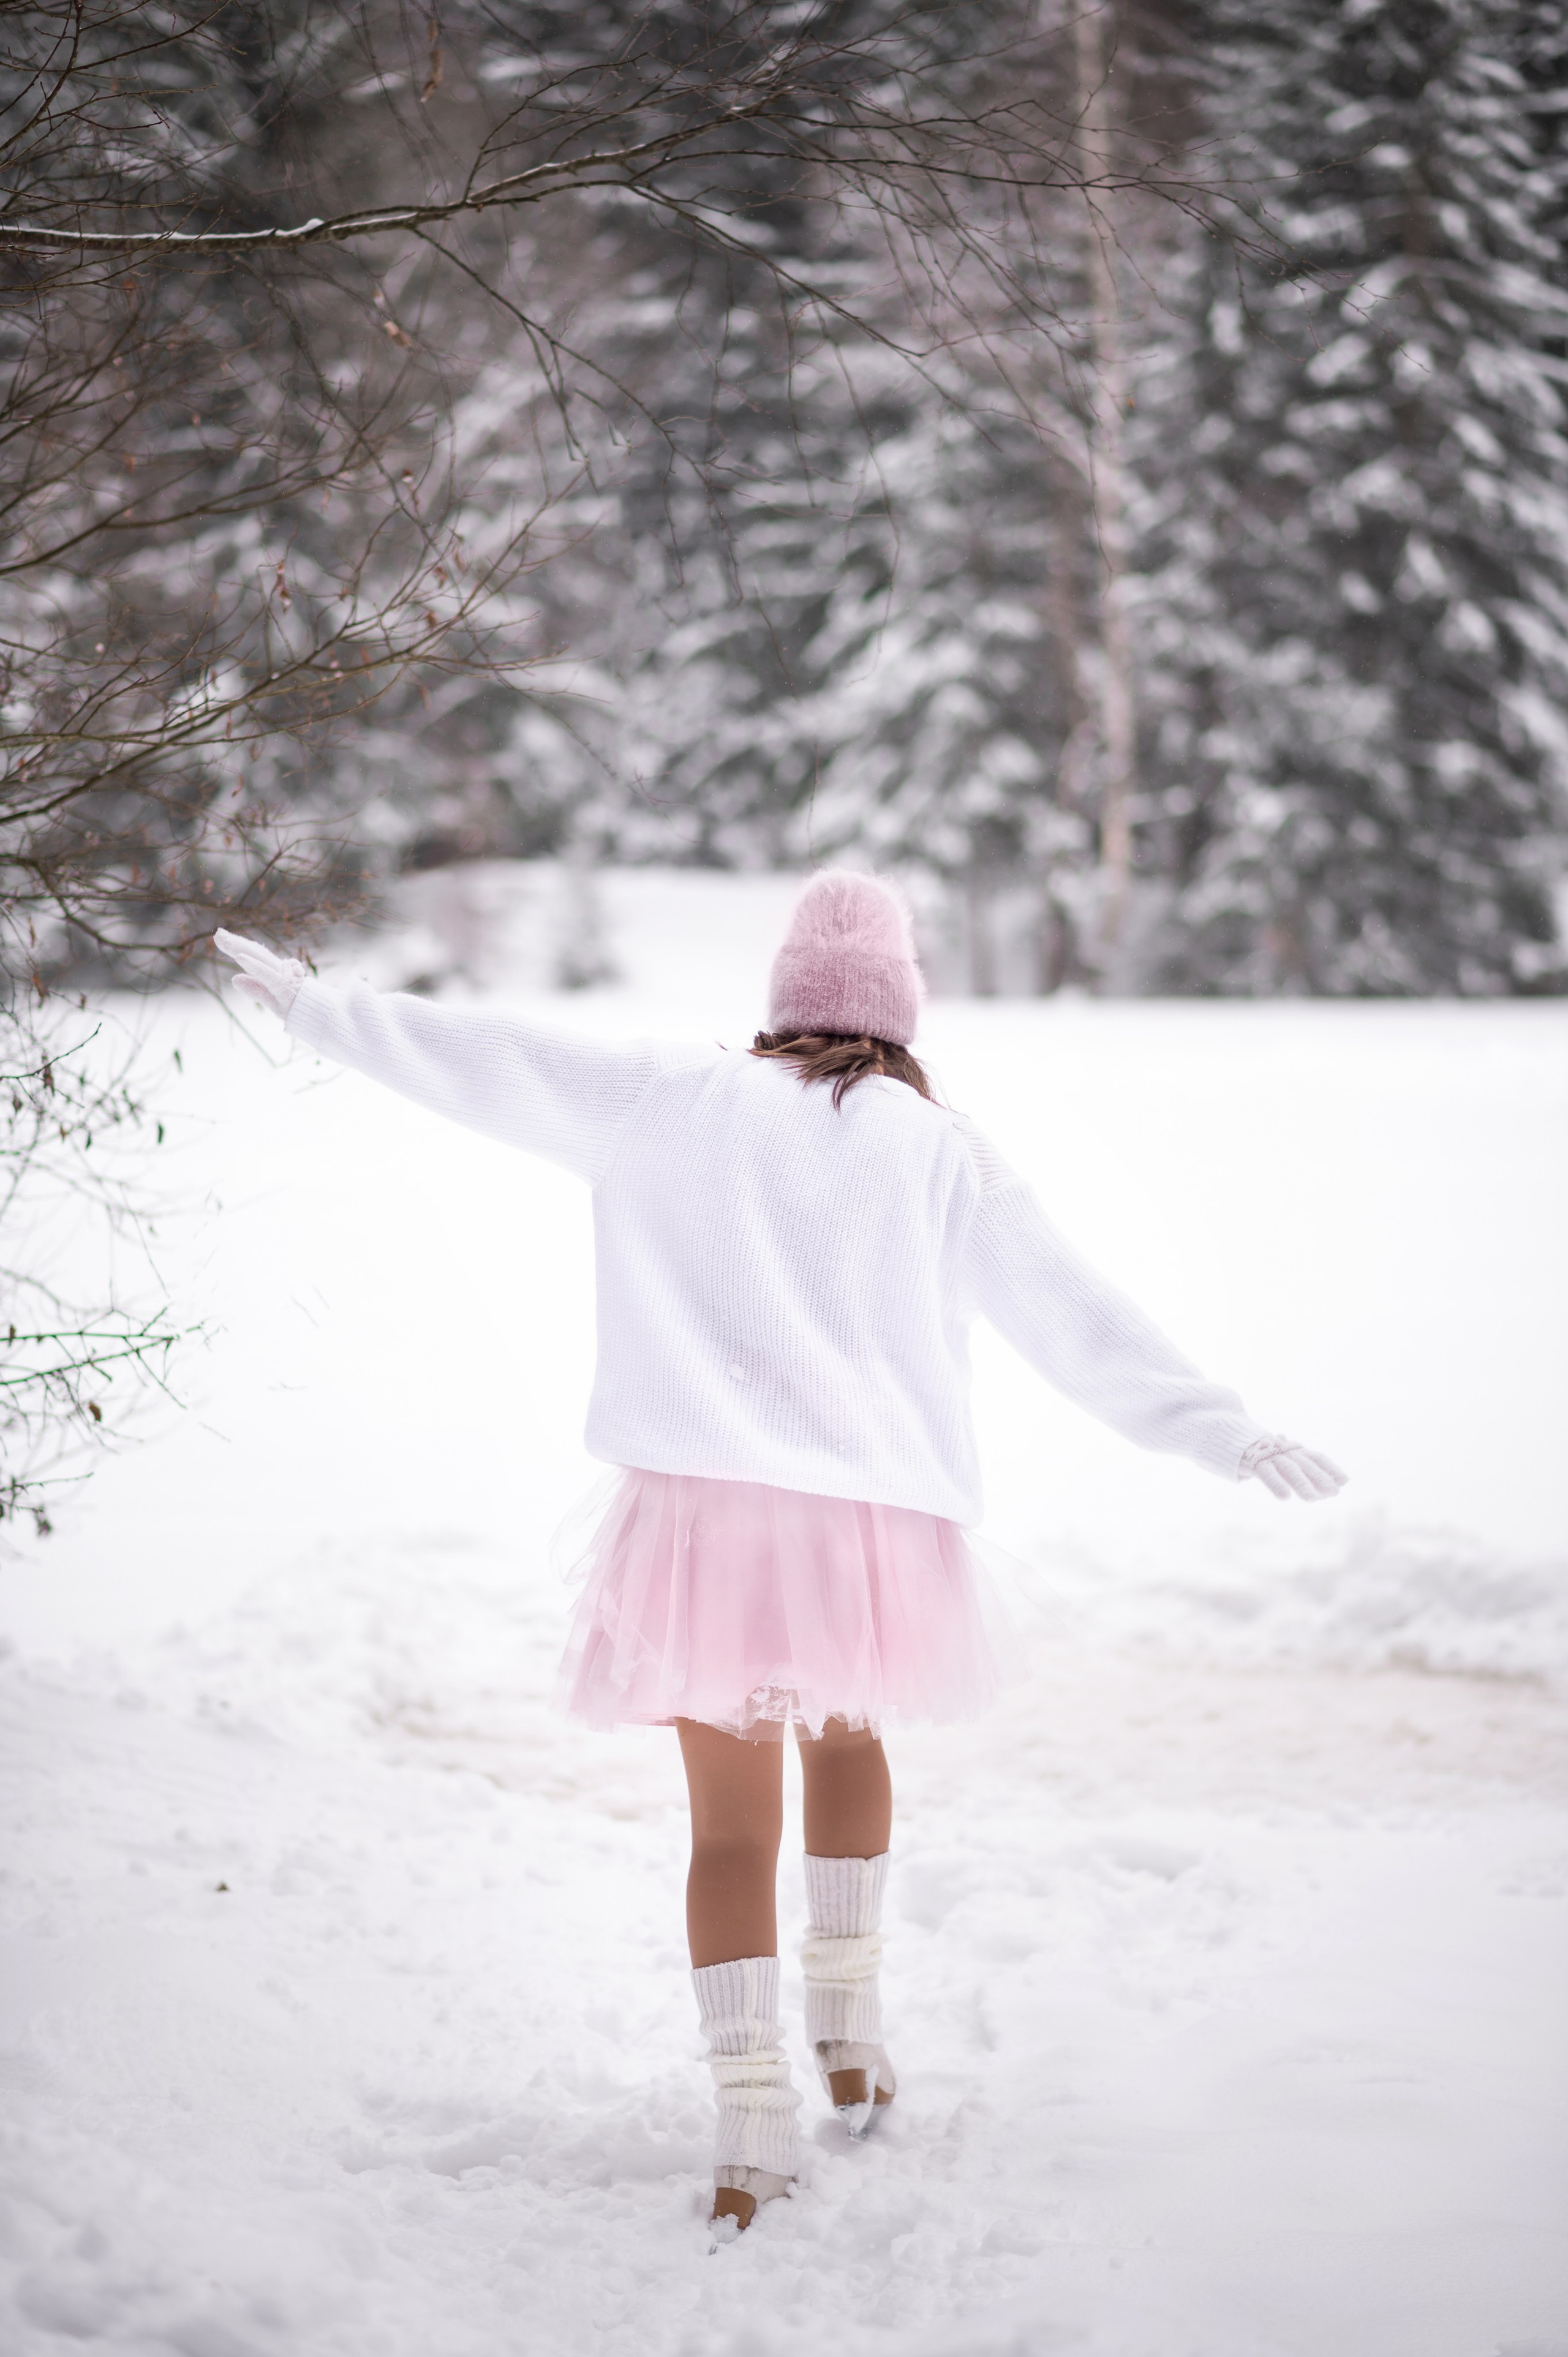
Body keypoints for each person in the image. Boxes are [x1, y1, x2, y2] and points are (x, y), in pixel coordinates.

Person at [214, 872, 1345, 2235]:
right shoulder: (939, 1146)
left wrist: (317, 1008)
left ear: (781, 1002)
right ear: (898, 1010)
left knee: (728, 1827)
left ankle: (749, 2119)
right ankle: (849, 2029)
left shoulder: (675, 1095)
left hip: (702, 1519)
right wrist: (1211, 1428)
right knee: (852, 1747)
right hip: (867, 1524)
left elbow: (492, 1060)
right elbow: (1069, 1311)